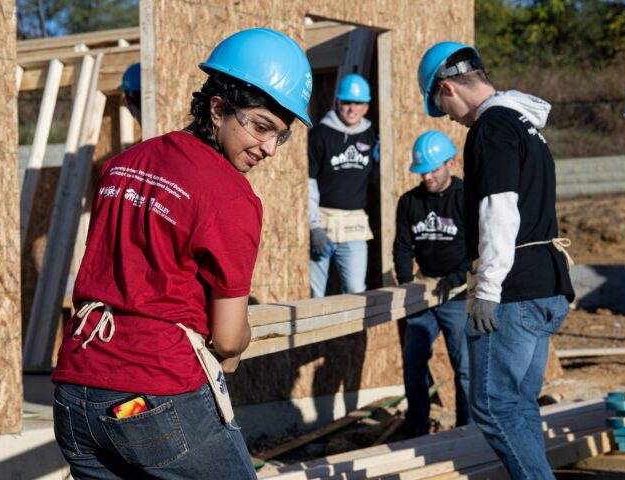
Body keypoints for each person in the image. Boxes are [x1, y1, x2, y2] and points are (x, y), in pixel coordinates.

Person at [50, 28, 313, 479]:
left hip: (75, 392)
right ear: (217, 108)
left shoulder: (125, 164)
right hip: (152, 395)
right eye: (261, 126)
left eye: (280, 136)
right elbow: (229, 339)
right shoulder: (231, 197)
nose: (269, 148)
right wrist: (236, 343)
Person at [417, 41, 575, 479]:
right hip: (546, 283)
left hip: (514, 291)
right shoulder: (525, 126)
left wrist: (485, 290)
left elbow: (499, 211)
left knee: (492, 406)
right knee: (519, 403)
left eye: (441, 105)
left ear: (448, 87)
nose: (448, 116)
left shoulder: (490, 129)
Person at [393, 130, 472, 438]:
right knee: (413, 361)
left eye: (433, 169)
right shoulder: (410, 202)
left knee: (464, 366)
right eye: (422, 170)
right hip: (424, 293)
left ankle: (468, 428)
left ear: (450, 163)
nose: (427, 176)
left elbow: (478, 248)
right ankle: (416, 426)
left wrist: (456, 279)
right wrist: (406, 284)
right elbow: (402, 247)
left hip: (457, 293)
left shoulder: (466, 198)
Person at [308, 73, 379, 297]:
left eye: (357, 103)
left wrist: (380, 161)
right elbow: (309, 183)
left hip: (355, 224)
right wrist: (313, 227)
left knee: (356, 291)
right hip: (324, 221)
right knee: (316, 294)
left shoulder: (372, 135)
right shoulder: (319, 135)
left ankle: (352, 334)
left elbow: (376, 182)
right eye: (347, 102)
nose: (352, 108)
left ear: (366, 107)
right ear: (338, 102)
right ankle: (318, 334)